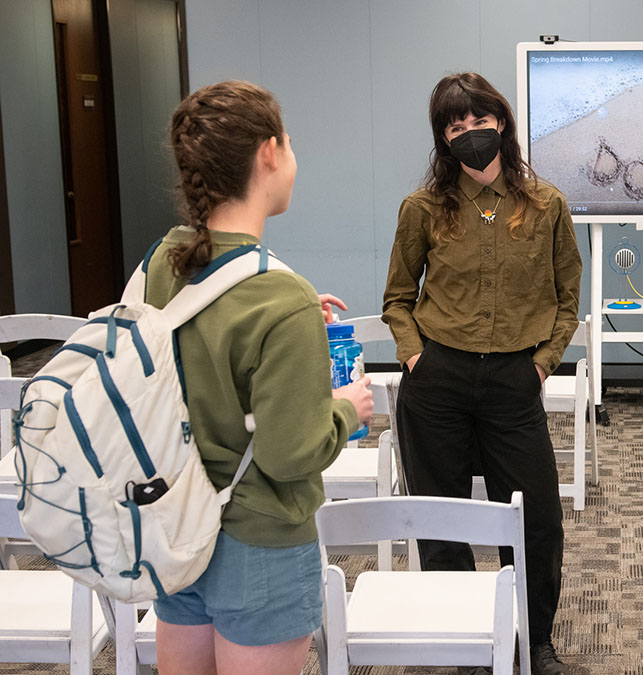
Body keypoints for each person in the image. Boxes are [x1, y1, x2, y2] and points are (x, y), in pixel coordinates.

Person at [144, 80, 374, 675]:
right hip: (259, 544)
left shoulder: (161, 262)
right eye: (290, 141)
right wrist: (348, 407)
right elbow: (288, 454)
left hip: (174, 525)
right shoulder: (280, 298)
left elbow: (201, 338)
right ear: (269, 153)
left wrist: (296, 326)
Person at [382, 72, 582, 675]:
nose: (470, 135)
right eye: (455, 127)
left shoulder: (547, 206)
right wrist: (415, 355)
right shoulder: (422, 209)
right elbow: (396, 297)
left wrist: (543, 366)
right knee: (442, 520)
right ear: (443, 140)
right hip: (436, 380)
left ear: (503, 124)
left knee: (535, 519)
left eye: (479, 122)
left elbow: (567, 299)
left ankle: (532, 640)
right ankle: (469, 638)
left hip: (513, 383)